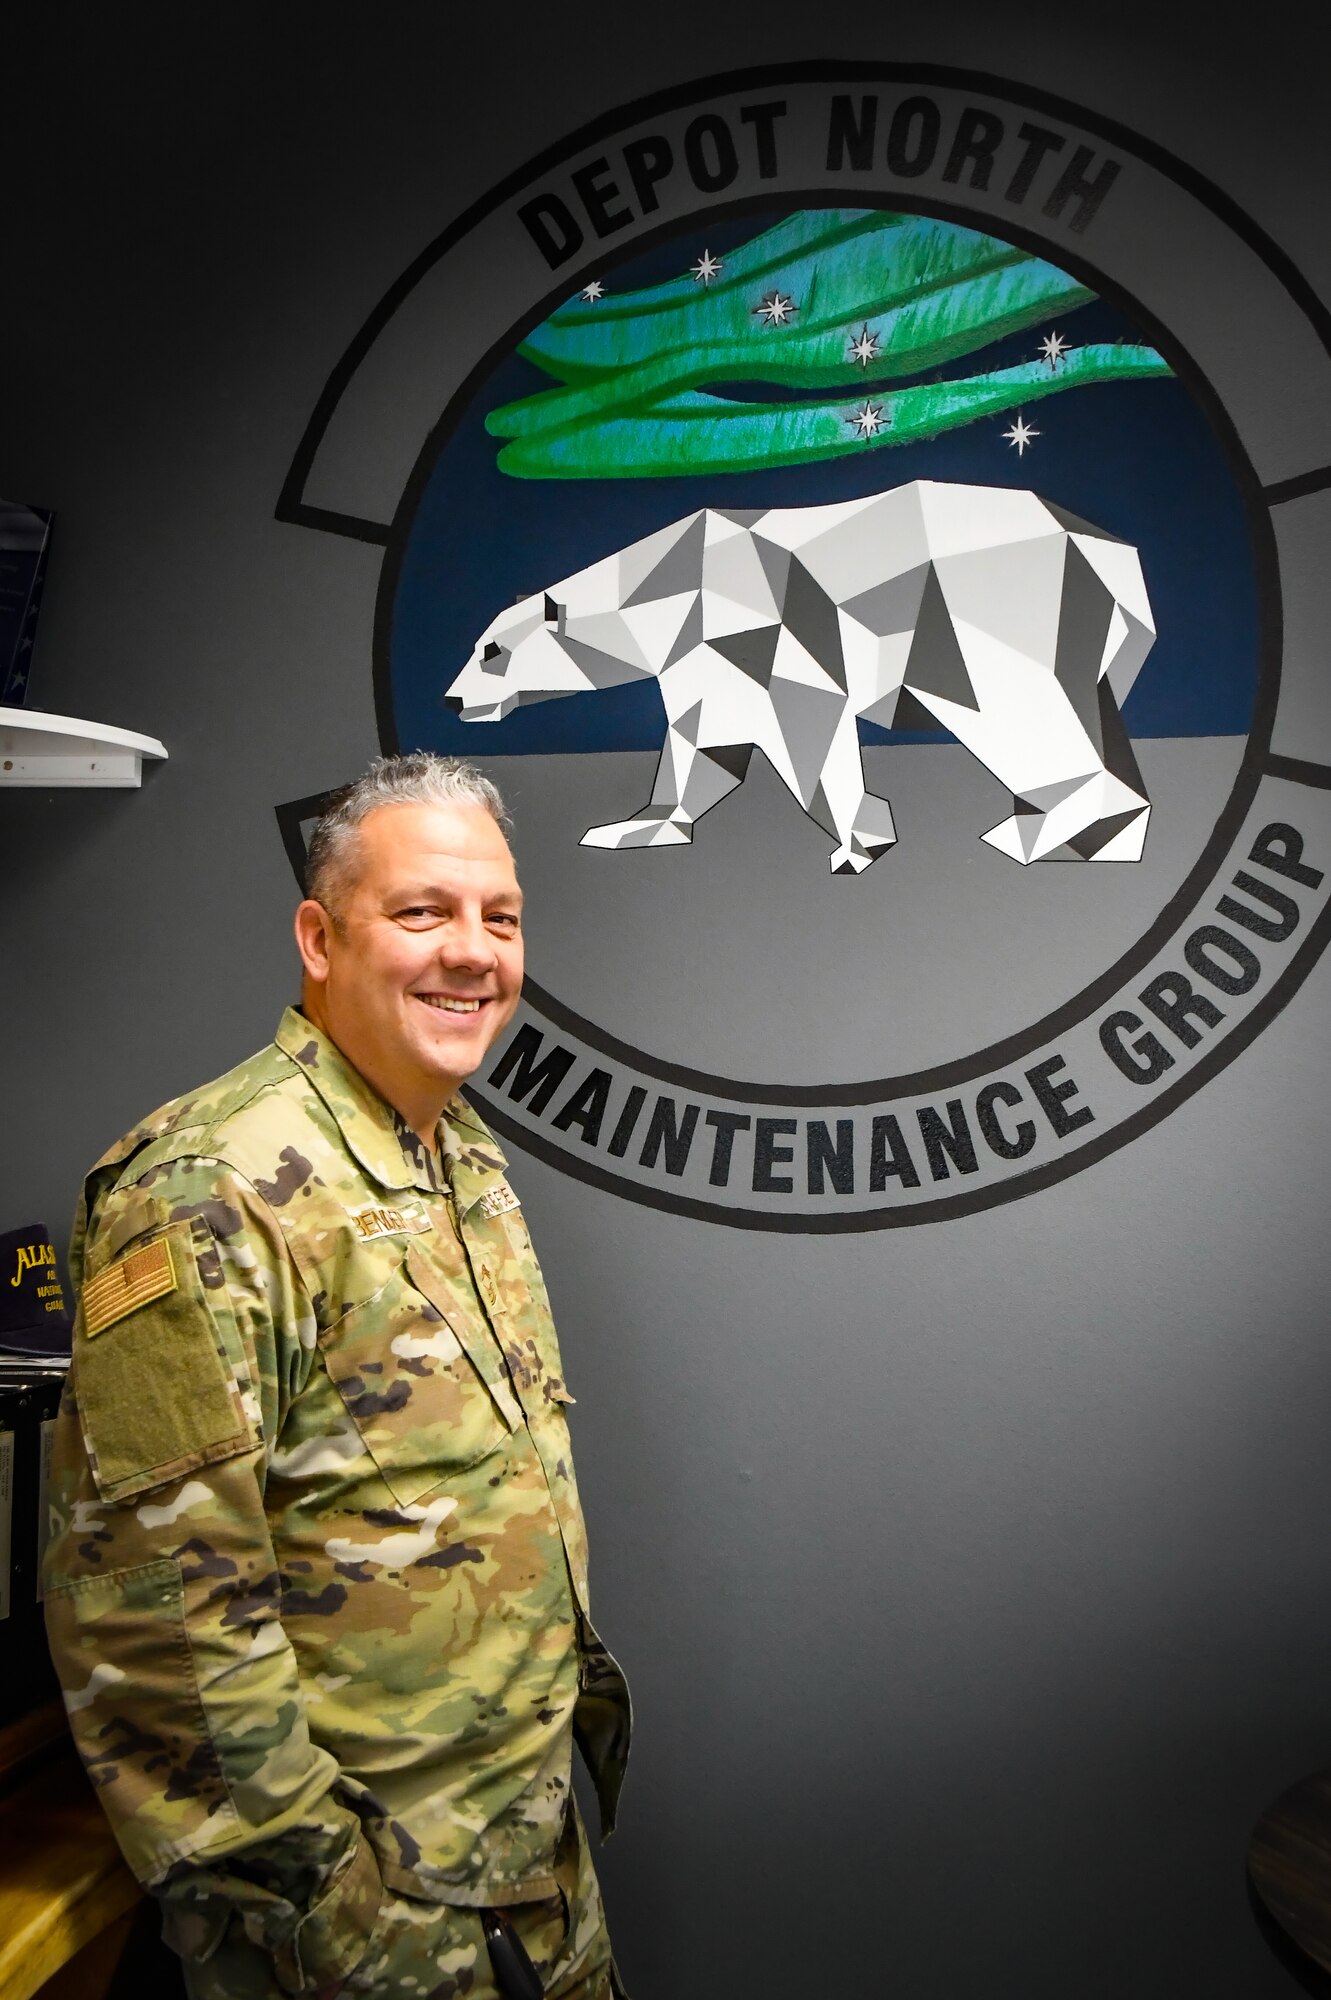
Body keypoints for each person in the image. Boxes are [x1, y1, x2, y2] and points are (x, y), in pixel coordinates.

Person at [42, 755, 631, 2000]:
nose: (471, 951)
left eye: (499, 918)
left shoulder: (453, 1151)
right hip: (366, 1926)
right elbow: (158, 1621)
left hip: (523, 1874)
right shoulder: (212, 1187)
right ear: (318, 936)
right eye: (422, 912)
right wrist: (336, 1917)